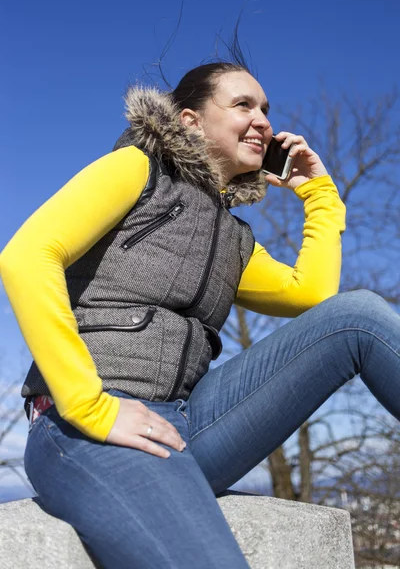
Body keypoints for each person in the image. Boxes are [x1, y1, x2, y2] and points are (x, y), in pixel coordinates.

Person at [1, 54, 399, 569]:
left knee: (358, 316)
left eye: (266, 109)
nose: (263, 121)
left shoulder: (233, 237)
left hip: (191, 423)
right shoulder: (137, 169)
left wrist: (319, 194)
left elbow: (312, 296)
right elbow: (27, 256)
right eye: (242, 105)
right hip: (91, 422)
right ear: (190, 120)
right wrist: (88, 405)